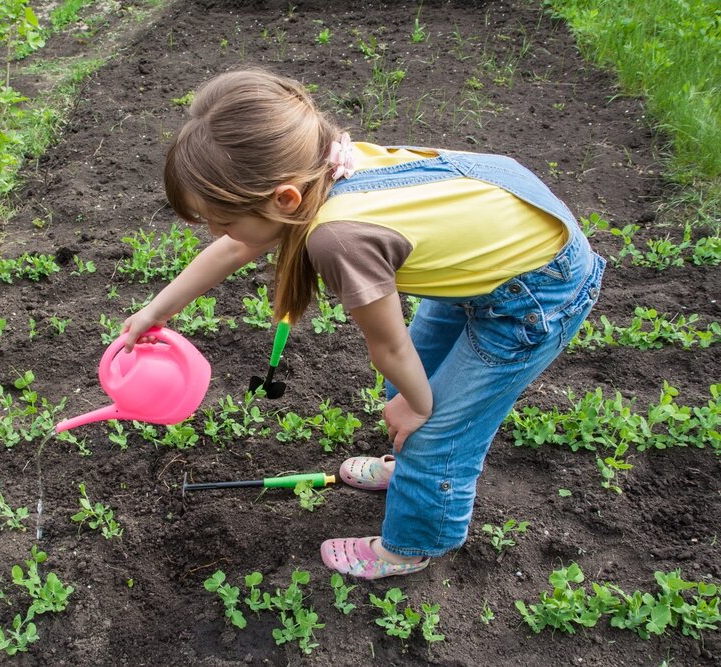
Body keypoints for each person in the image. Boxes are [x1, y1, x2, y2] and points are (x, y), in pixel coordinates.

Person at [122, 68, 605, 579]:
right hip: (493, 264)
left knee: (435, 431)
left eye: (222, 220)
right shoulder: (320, 161)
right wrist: (157, 311)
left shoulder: (337, 238)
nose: (219, 233)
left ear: (284, 199)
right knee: (421, 375)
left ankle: (411, 545)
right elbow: (240, 245)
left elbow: (389, 347)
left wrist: (416, 406)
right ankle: (410, 469)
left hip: (536, 294)